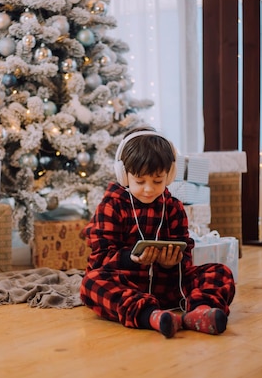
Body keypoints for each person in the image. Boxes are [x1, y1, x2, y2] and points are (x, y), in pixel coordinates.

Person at [80, 126, 235, 338]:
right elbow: (99, 260)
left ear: (169, 175)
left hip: (169, 286)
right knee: (91, 282)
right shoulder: (112, 205)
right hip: (128, 286)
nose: (149, 189)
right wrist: (131, 258)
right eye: (140, 181)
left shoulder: (173, 207)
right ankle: (150, 315)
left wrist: (173, 262)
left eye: (157, 181)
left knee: (220, 272)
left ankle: (199, 312)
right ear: (124, 175)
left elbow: (185, 256)